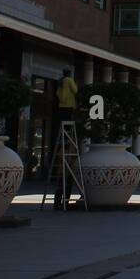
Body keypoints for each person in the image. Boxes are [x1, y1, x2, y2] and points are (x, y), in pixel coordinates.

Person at [52, 69, 78, 209]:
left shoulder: (60, 81)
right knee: (66, 183)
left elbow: (57, 93)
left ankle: (57, 202)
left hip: (61, 105)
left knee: (59, 184)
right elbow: (75, 90)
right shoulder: (69, 80)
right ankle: (65, 202)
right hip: (69, 105)